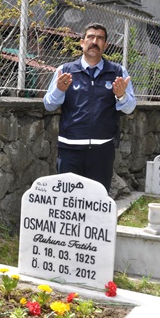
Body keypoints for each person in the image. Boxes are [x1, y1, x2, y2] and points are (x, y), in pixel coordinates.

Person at [43, 23, 136, 192]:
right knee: (68, 200)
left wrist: (122, 95)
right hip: (70, 150)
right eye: (90, 37)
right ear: (81, 42)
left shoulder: (117, 72)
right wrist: (59, 90)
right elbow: (49, 105)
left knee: (97, 202)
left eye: (100, 38)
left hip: (102, 152)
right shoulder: (65, 71)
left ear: (105, 45)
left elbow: (130, 108)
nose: (94, 41)